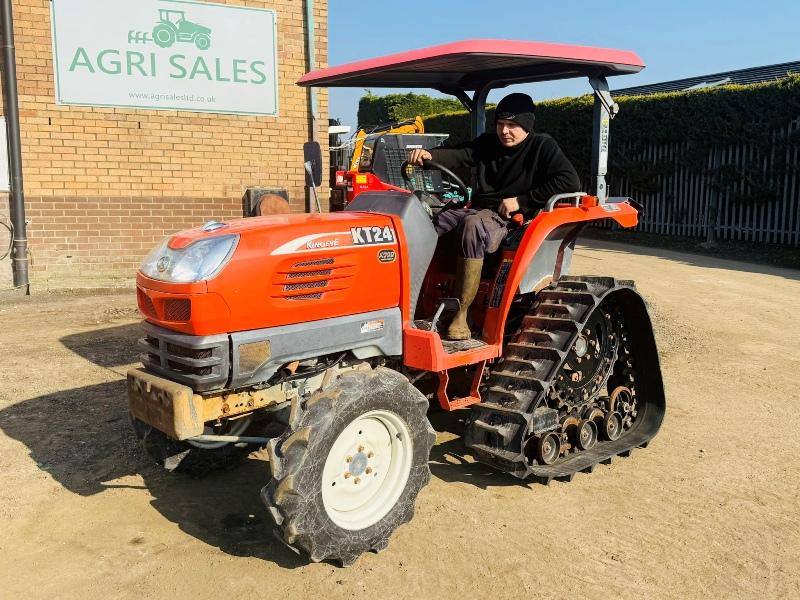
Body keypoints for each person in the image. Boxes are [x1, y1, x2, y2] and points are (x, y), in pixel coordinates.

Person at [408, 92, 581, 341]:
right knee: (432, 222)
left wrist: (521, 201)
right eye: (500, 124)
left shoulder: (542, 146)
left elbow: (568, 180)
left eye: (512, 125)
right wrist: (430, 156)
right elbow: (461, 153)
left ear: (526, 125)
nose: (505, 131)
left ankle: (463, 314)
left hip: (510, 220)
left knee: (472, 226)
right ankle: (419, 300)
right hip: (479, 210)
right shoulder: (488, 144)